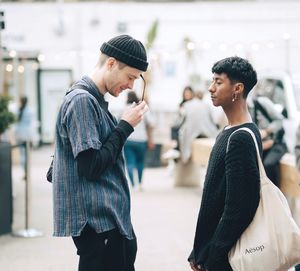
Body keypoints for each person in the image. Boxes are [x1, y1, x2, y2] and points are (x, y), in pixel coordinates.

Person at [52, 34, 149, 271]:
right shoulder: (82, 101)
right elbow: (91, 166)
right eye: (130, 77)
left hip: (106, 222)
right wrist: (125, 127)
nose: (130, 86)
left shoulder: (92, 100)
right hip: (98, 223)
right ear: (111, 63)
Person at [188, 56, 262, 271]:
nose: (211, 88)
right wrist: (199, 249)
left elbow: (239, 207)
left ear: (237, 88)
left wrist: (213, 255)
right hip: (214, 253)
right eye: (212, 81)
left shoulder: (241, 137)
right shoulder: (229, 132)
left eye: (218, 82)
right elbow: (214, 199)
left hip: (225, 258)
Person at [248, 92, 287, 187]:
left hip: (276, 143)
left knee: (269, 164)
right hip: (260, 147)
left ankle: (275, 194)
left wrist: (267, 131)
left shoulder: (261, 102)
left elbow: (280, 120)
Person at [124, 91, 155, 190]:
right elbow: (152, 123)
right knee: (140, 162)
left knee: (129, 162)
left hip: (128, 139)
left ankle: (133, 185)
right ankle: (140, 183)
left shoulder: (124, 109)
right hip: (141, 140)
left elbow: (116, 122)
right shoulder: (142, 109)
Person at [178, 90, 219, 163]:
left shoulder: (186, 105)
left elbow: (180, 120)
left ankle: (183, 158)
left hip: (190, 134)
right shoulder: (207, 106)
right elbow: (213, 120)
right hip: (207, 133)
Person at [15, 96, 33, 169]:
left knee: (22, 153)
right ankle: (26, 170)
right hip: (27, 134)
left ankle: (24, 170)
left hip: (19, 134)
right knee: (27, 153)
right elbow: (31, 124)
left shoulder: (19, 110)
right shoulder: (29, 111)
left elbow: (17, 123)